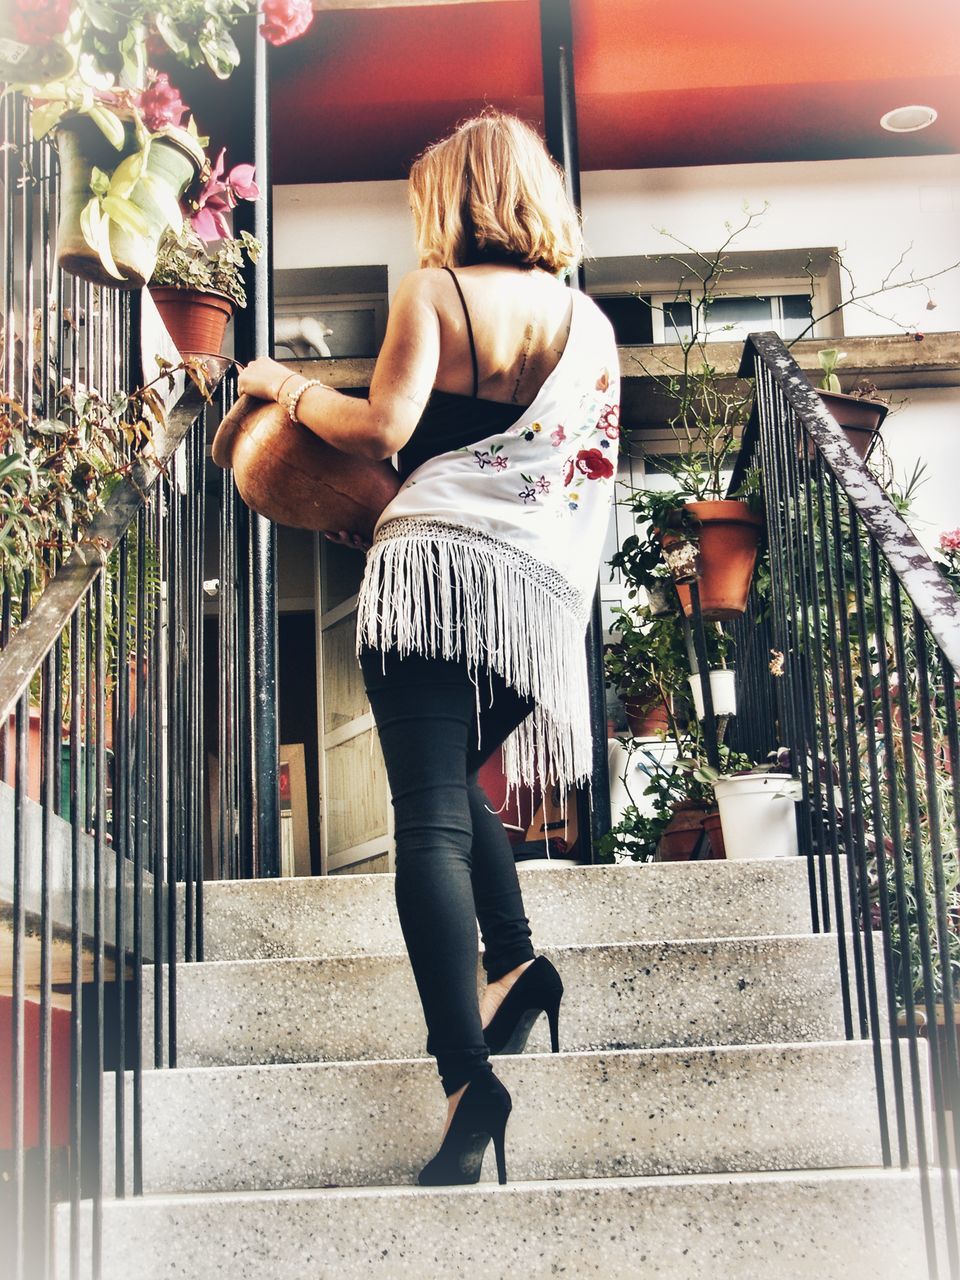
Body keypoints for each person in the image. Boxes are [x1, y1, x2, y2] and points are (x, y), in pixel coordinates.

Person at [238, 111, 620, 1188]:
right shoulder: (589, 325)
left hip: (427, 580)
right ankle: (517, 961)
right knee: (455, 786)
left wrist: (281, 386)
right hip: (529, 604)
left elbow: (380, 429)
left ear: (452, 198)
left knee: (429, 819)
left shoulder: (438, 291)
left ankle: (467, 1079)